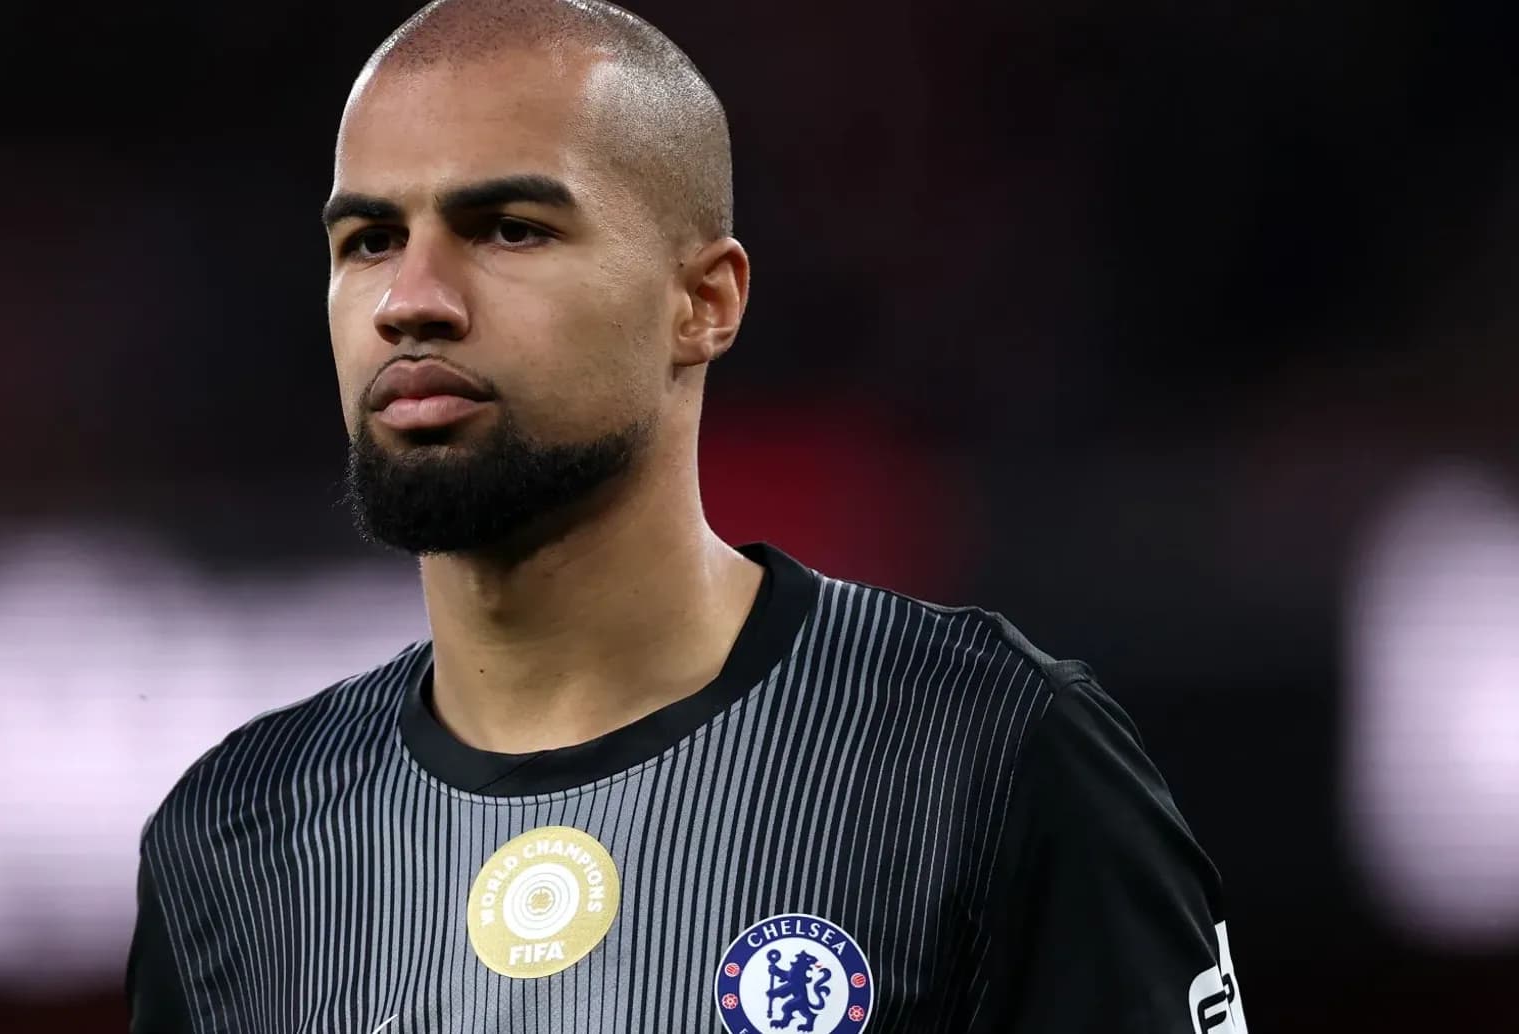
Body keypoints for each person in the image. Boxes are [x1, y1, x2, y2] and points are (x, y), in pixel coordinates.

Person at [126, 1, 1247, 1031]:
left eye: (508, 227)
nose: (412, 298)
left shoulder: (987, 749)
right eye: (368, 240)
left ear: (702, 301)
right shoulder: (236, 839)